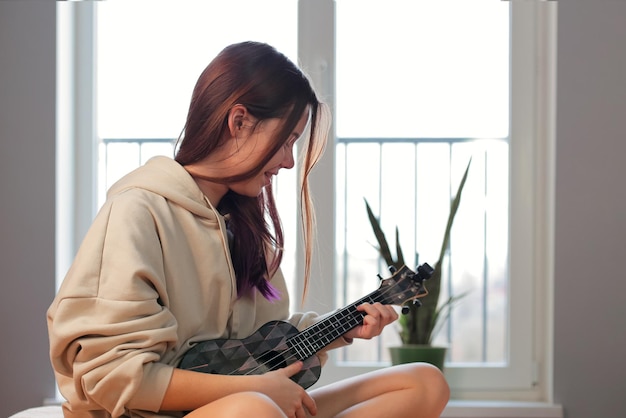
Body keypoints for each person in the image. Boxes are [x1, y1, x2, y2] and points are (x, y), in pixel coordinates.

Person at [47, 41, 449, 418]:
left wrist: (342, 330)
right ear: (239, 120)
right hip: (165, 412)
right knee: (253, 410)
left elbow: (256, 348)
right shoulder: (138, 212)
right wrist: (257, 392)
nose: (290, 162)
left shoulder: (247, 229)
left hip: (250, 403)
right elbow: (114, 377)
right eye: (285, 141)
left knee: (423, 383)